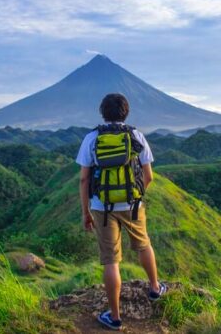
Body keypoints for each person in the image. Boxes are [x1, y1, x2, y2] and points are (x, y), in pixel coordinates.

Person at [76, 93, 166, 331]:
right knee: (144, 245)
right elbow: (148, 176)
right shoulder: (136, 135)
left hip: (102, 207)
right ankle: (155, 288)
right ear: (126, 112)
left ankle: (115, 317)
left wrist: (86, 212)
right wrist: (135, 196)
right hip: (132, 205)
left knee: (111, 260)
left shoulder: (92, 138)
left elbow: (84, 179)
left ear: (102, 113)